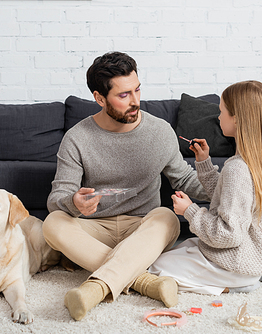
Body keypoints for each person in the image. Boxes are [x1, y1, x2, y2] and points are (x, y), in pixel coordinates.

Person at [42, 51, 209, 320]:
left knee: (168, 217)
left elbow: (186, 181)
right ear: (99, 98)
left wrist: (228, 185)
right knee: (52, 223)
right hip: (95, 226)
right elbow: (57, 197)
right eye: (123, 95)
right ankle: (145, 282)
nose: (135, 102)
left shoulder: (160, 131)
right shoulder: (77, 138)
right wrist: (73, 202)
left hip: (143, 226)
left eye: (137, 90)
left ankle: (95, 289)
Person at [149, 80, 262, 295]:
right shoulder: (258, 162)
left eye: (221, 112)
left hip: (234, 263)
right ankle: (254, 273)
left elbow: (227, 235)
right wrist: (204, 162)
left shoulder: (237, 168)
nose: (218, 117)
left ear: (237, 118)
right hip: (251, 255)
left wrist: (189, 210)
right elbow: (225, 199)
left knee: (154, 268)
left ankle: (238, 284)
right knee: (186, 247)